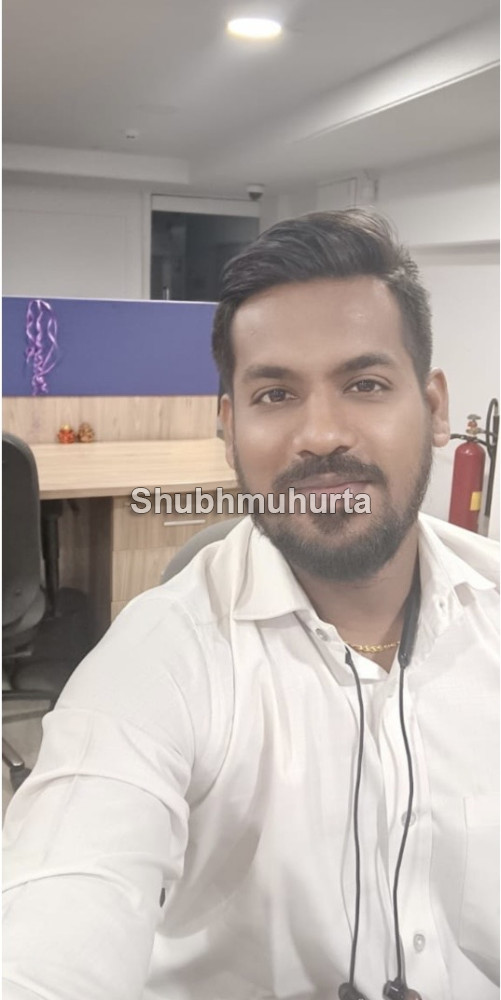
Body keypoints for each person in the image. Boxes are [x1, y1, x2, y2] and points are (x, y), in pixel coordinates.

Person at [3, 210, 499, 1000]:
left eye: (365, 384)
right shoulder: (161, 659)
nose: (321, 434)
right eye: (275, 393)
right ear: (229, 425)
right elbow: (54, 918)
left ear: (435, 407)